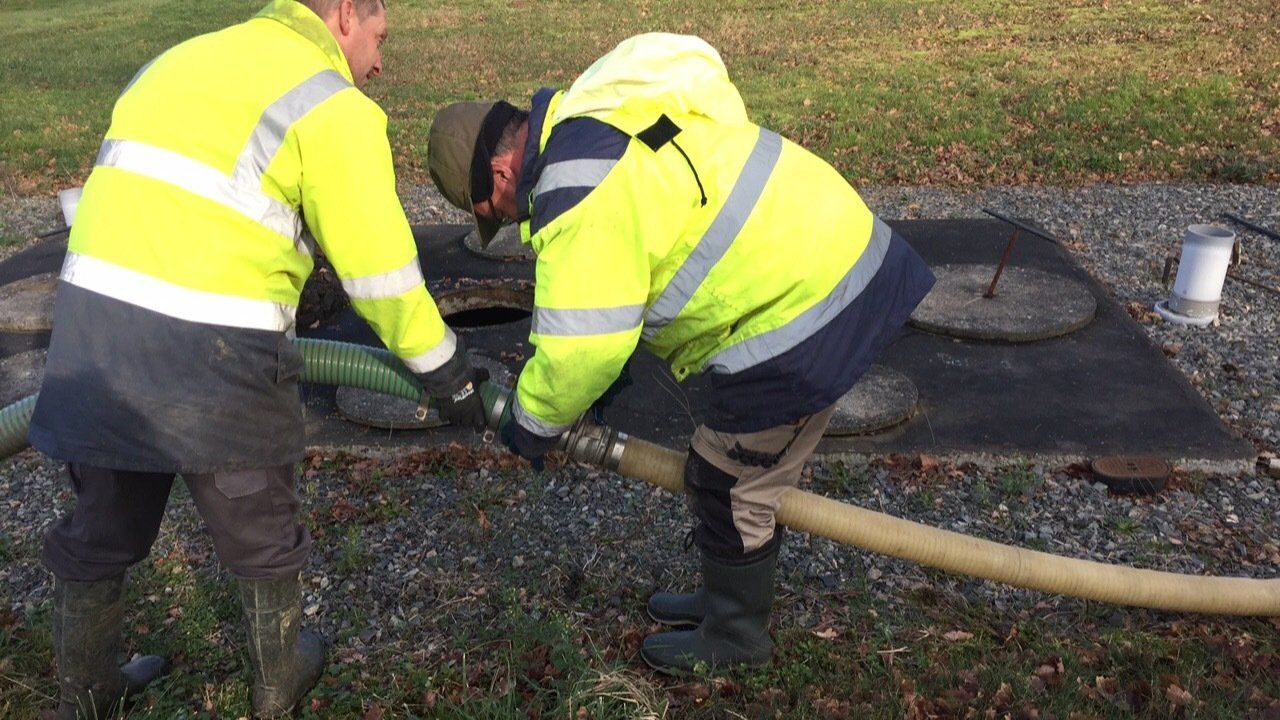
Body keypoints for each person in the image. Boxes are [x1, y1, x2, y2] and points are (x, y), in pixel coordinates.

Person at [28, 1, 489, 717]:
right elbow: (382, 276)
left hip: (94, 330)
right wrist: (448, 373)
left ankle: (84, 695)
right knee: (260, 529)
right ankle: (277, 685)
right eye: (378, 37)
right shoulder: (328, 102)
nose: (379, 62)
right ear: (343, 13)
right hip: (216, 350)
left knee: (103, 522)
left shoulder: (176, 62)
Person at [427, 33, 935, 674]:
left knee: (729, 478)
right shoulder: (600, 106)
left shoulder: (573, 189)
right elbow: (696, 80)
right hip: (834, 242)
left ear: (501, 174)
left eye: (493, 212)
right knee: (721, 465)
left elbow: (578, 353)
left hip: (809, 308)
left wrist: (529, 425)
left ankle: (736, 634)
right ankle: (724, 596)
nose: (509, 222)